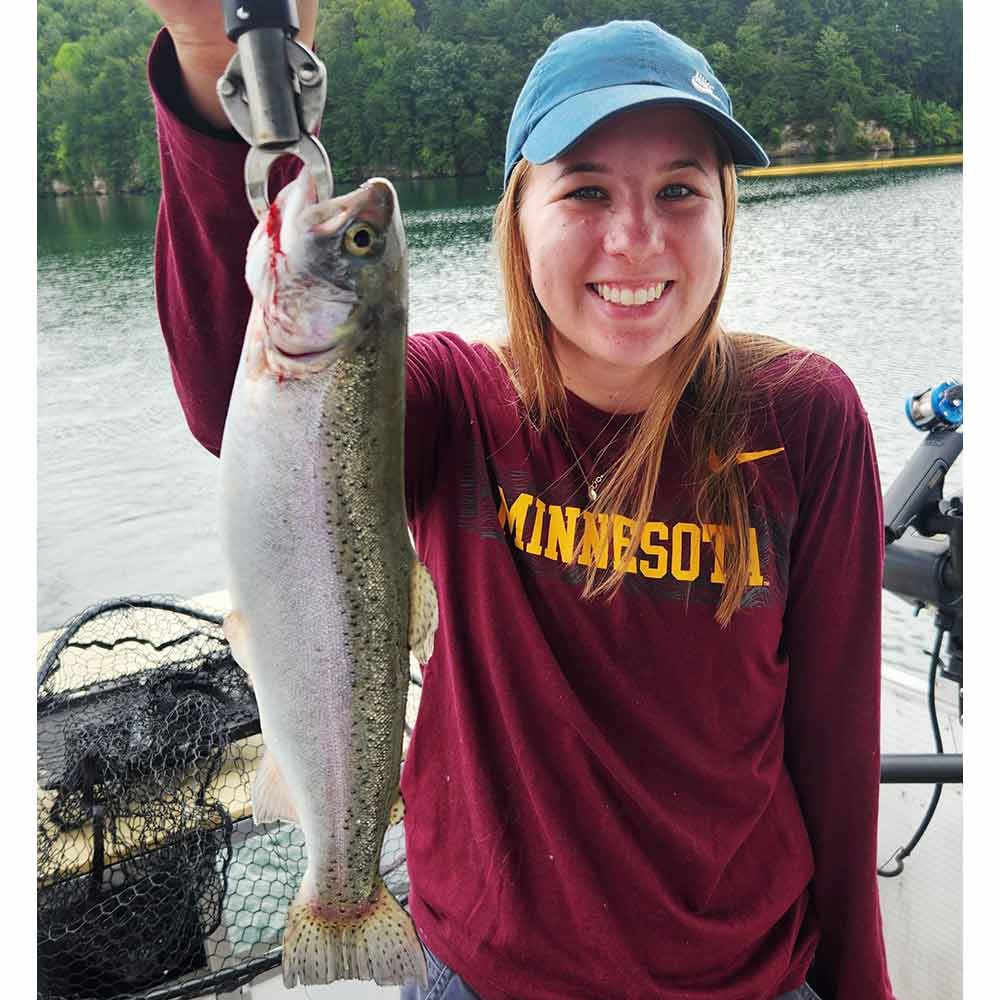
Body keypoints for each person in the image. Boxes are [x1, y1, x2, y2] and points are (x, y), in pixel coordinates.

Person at [142, 4, 894, 999]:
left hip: (747, 976)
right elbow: (228, 391)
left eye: (679, 189)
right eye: (585, 191)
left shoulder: (805, 417)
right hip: (482, 971)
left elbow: (835, 751)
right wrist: (209, 56)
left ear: (723, 212)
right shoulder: (453, 400)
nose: (636, 239)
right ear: (518, 218)